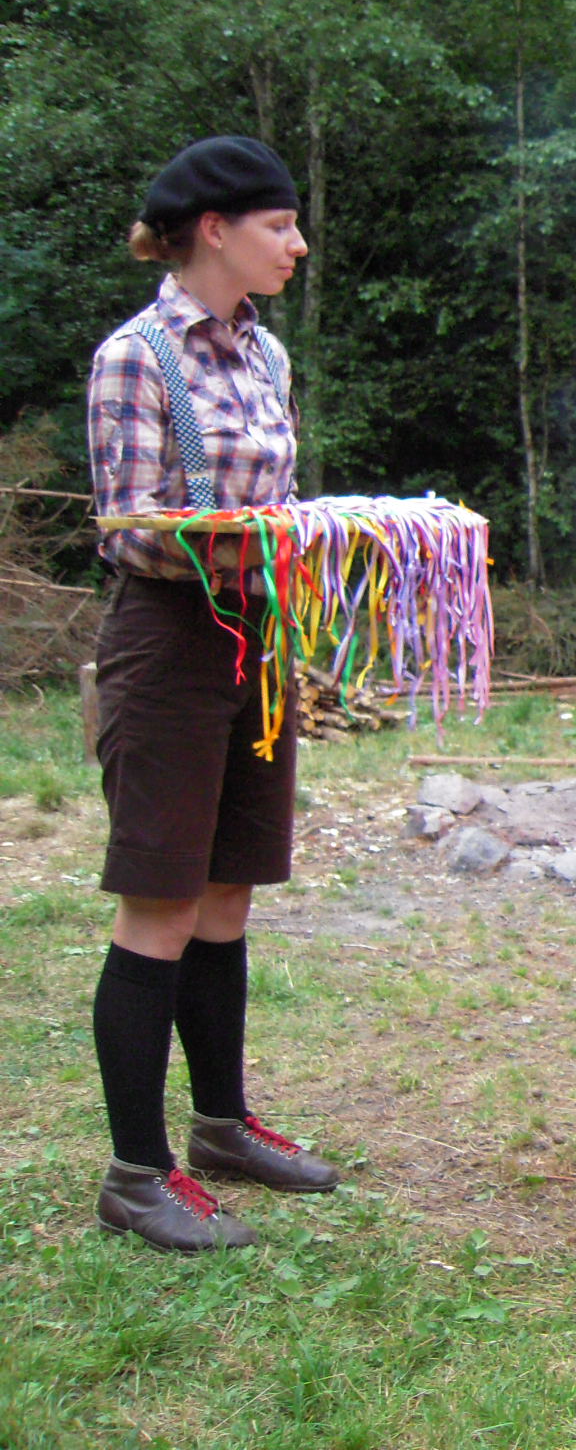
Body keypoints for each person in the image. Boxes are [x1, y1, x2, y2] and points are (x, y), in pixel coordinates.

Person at [86, 135, 338, 1254]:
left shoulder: (267, 355)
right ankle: (136, 1173)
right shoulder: (135, 358)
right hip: (169, 644)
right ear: (214, 230)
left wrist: (321, 541)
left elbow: (280, 495)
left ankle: (222, 1126)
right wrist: (262, 544)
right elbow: (130, 529)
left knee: (229, 889)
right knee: (162, 901)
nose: (297, 244)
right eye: (280, 226)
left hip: (256, 643)